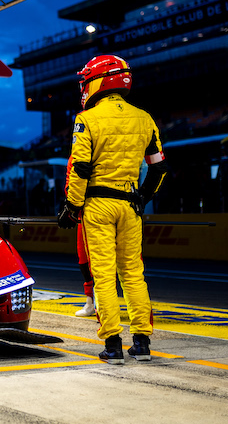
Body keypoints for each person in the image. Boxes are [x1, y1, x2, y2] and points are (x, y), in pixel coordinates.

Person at [57, 55, 168, 364]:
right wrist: (143, 197)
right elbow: (159, 168)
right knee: (133, 273)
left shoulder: (86, 118)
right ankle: (142, 343)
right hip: (130, 204)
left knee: (104, 275)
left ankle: (113, 345)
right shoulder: (144, 118)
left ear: (97, 82)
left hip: (98, 205)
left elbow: (80, 167)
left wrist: (72, 207)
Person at [64, 152, 96, 317]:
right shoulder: (76, 156)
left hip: (97, 210)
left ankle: (105, 307)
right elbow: (70, 184)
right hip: (86, 213)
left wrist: (70, 208)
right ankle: (91, 302)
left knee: (122, 264)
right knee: (84, 261)